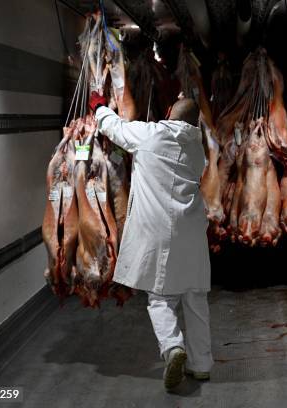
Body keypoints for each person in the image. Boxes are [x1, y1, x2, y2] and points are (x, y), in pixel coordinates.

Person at [89, 91, 213, 391]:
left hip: (159, 229)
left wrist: (100, 107)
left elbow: (115, 128)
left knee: (160, 297)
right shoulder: (198, 150)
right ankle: (202, 366)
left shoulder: (151, 135)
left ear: (168, 110)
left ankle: (173, 348)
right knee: (196, 298)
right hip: (193, 229)